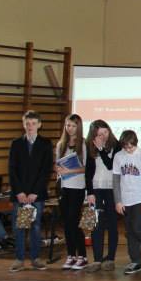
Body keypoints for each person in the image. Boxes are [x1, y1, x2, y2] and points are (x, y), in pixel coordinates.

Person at [8, 110, 53, 272]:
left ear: (39, 125)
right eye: (27, 123)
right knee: (19, 227)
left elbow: (46, 170)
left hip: (37, 194)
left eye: (33, 123)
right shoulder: (16, 143)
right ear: (23, 125)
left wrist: (35, 192)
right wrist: (19, 192)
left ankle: (35, 258)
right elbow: (12, 170)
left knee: (35, 226)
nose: (30, 126)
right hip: (19, 195)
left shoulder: (46, 143)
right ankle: (19, 259)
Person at [113, 130, 141, 275]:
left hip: (139, 199)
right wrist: (118, 201)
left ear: (135, 143)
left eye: (130, 146)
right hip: (125, 200)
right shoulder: (119, 156)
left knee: (137, 227)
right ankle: (136, 261)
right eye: (125, 147)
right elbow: (116, 180)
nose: (128, 149)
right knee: (130, 231)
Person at [84, 120, 120, 272]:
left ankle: (110, 259)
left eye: (105, 132)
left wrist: (102, 150)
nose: (103, 136)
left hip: (112, 189)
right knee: (97, 225)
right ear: (93, 135)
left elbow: (111, 165)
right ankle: (97, 259)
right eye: (99, 134)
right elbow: (88, 171)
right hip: (96, 189)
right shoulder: (89, 147)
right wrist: (90, 192)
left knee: (112, 224)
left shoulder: (117, 145)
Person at [54, 113, 88, 270]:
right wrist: (58, 169)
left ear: (78, 127)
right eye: (68, 125)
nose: (70, 128)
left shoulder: (83, 144)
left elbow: (86, 168)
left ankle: (82, 256)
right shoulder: (61, 144)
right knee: (66, 223)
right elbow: (57, 165)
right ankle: (71, 255)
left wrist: (70, 171)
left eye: (73, 126)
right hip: (63, 187)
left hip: (77, 187)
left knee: (73, 221)